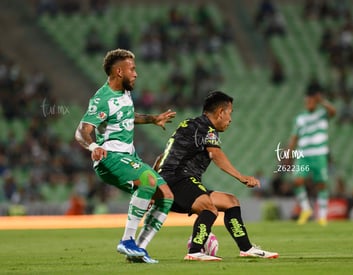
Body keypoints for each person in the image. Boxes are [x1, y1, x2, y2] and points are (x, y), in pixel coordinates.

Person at [74, 49, 176, 264]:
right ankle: (127, 240)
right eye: (132, 69)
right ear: (119, 72)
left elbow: (127, 117)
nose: (136, 73)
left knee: (166, 196)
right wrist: (93, 146)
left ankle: (138, 250)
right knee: (148, 181)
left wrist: (153, 119)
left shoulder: (125, 93)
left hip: (128, 155)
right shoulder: (102, 98)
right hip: (110, 157)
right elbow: (82, 130)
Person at [155, 91, 279, 261]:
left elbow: (163, 156)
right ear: (221, 112)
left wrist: (155, 185)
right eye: (230, 113)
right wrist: (241, 177)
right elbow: (216, 155)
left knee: (231, 202)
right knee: (209, 209)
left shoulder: (191, 125)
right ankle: (194, 252)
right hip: (179, 179)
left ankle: (247, 248)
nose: (231, 119)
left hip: (175, 180)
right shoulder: (206, 128)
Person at [287, 89, 336, 226]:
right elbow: (294, 136)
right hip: (303, 154)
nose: (308, 103)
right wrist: (289, 154)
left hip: (319, 153)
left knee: (321, 184)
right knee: (297, 180)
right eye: (306, 101)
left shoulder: (322, 114)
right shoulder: (300, 118)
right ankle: (307, 209)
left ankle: (322, 216)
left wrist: (323, 101)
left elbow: (333, 112)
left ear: (316, 102)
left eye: (311, 101)